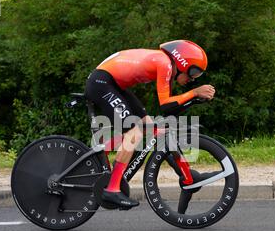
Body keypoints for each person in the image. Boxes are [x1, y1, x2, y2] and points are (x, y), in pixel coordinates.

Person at [86, 40, 215, 209]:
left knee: (150, 125)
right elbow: (167, 105)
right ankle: (112, 188)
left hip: (113, 84)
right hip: (102, 83)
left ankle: (109, 156)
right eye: (193, 72)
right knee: (135, 132)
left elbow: (170, 108)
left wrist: (194, 99)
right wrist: (195, 93)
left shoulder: (164, 61)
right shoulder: (165, 64)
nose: (192, 79)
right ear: (182, 62)